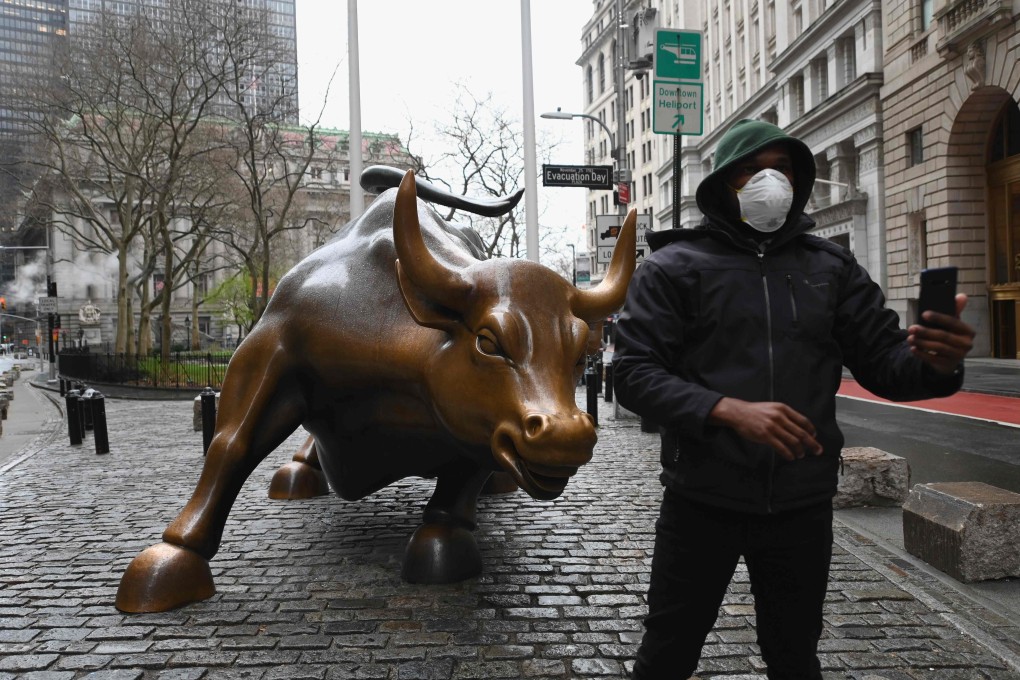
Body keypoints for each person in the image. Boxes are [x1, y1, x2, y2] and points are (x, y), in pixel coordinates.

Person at [611, 119, 976, 680]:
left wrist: (939, 362)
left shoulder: (830, 268)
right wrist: (725, 410)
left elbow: (886, 366)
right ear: (723, 184)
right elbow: (634, 374)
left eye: (782, 168)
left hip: (801, 504)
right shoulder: (673, 266)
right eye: (752, 169)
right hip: (700, 499)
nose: (769, 180)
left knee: (794, 653)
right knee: (668, 650)